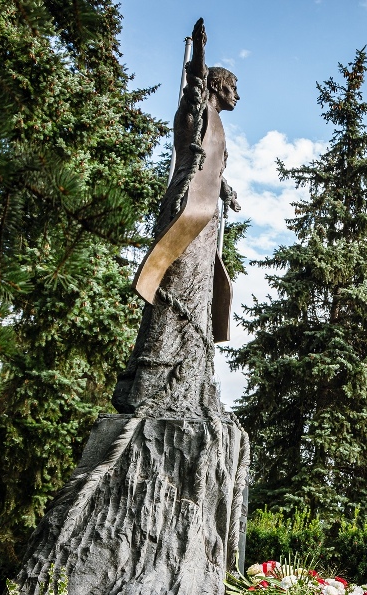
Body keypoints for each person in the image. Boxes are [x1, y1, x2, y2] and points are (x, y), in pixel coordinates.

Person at [113, 18, 241, 417]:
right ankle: (151, 383)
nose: (239, 95)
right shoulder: (198, 108)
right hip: (185, 212)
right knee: (178, 286)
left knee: (199, 296)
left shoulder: (216, 122)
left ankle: (187, 383)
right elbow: (192, 91)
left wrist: (225, 188)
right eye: (234, 87)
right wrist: (200, 53)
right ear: (218, 85)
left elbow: (212, 169)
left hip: (206, 220)